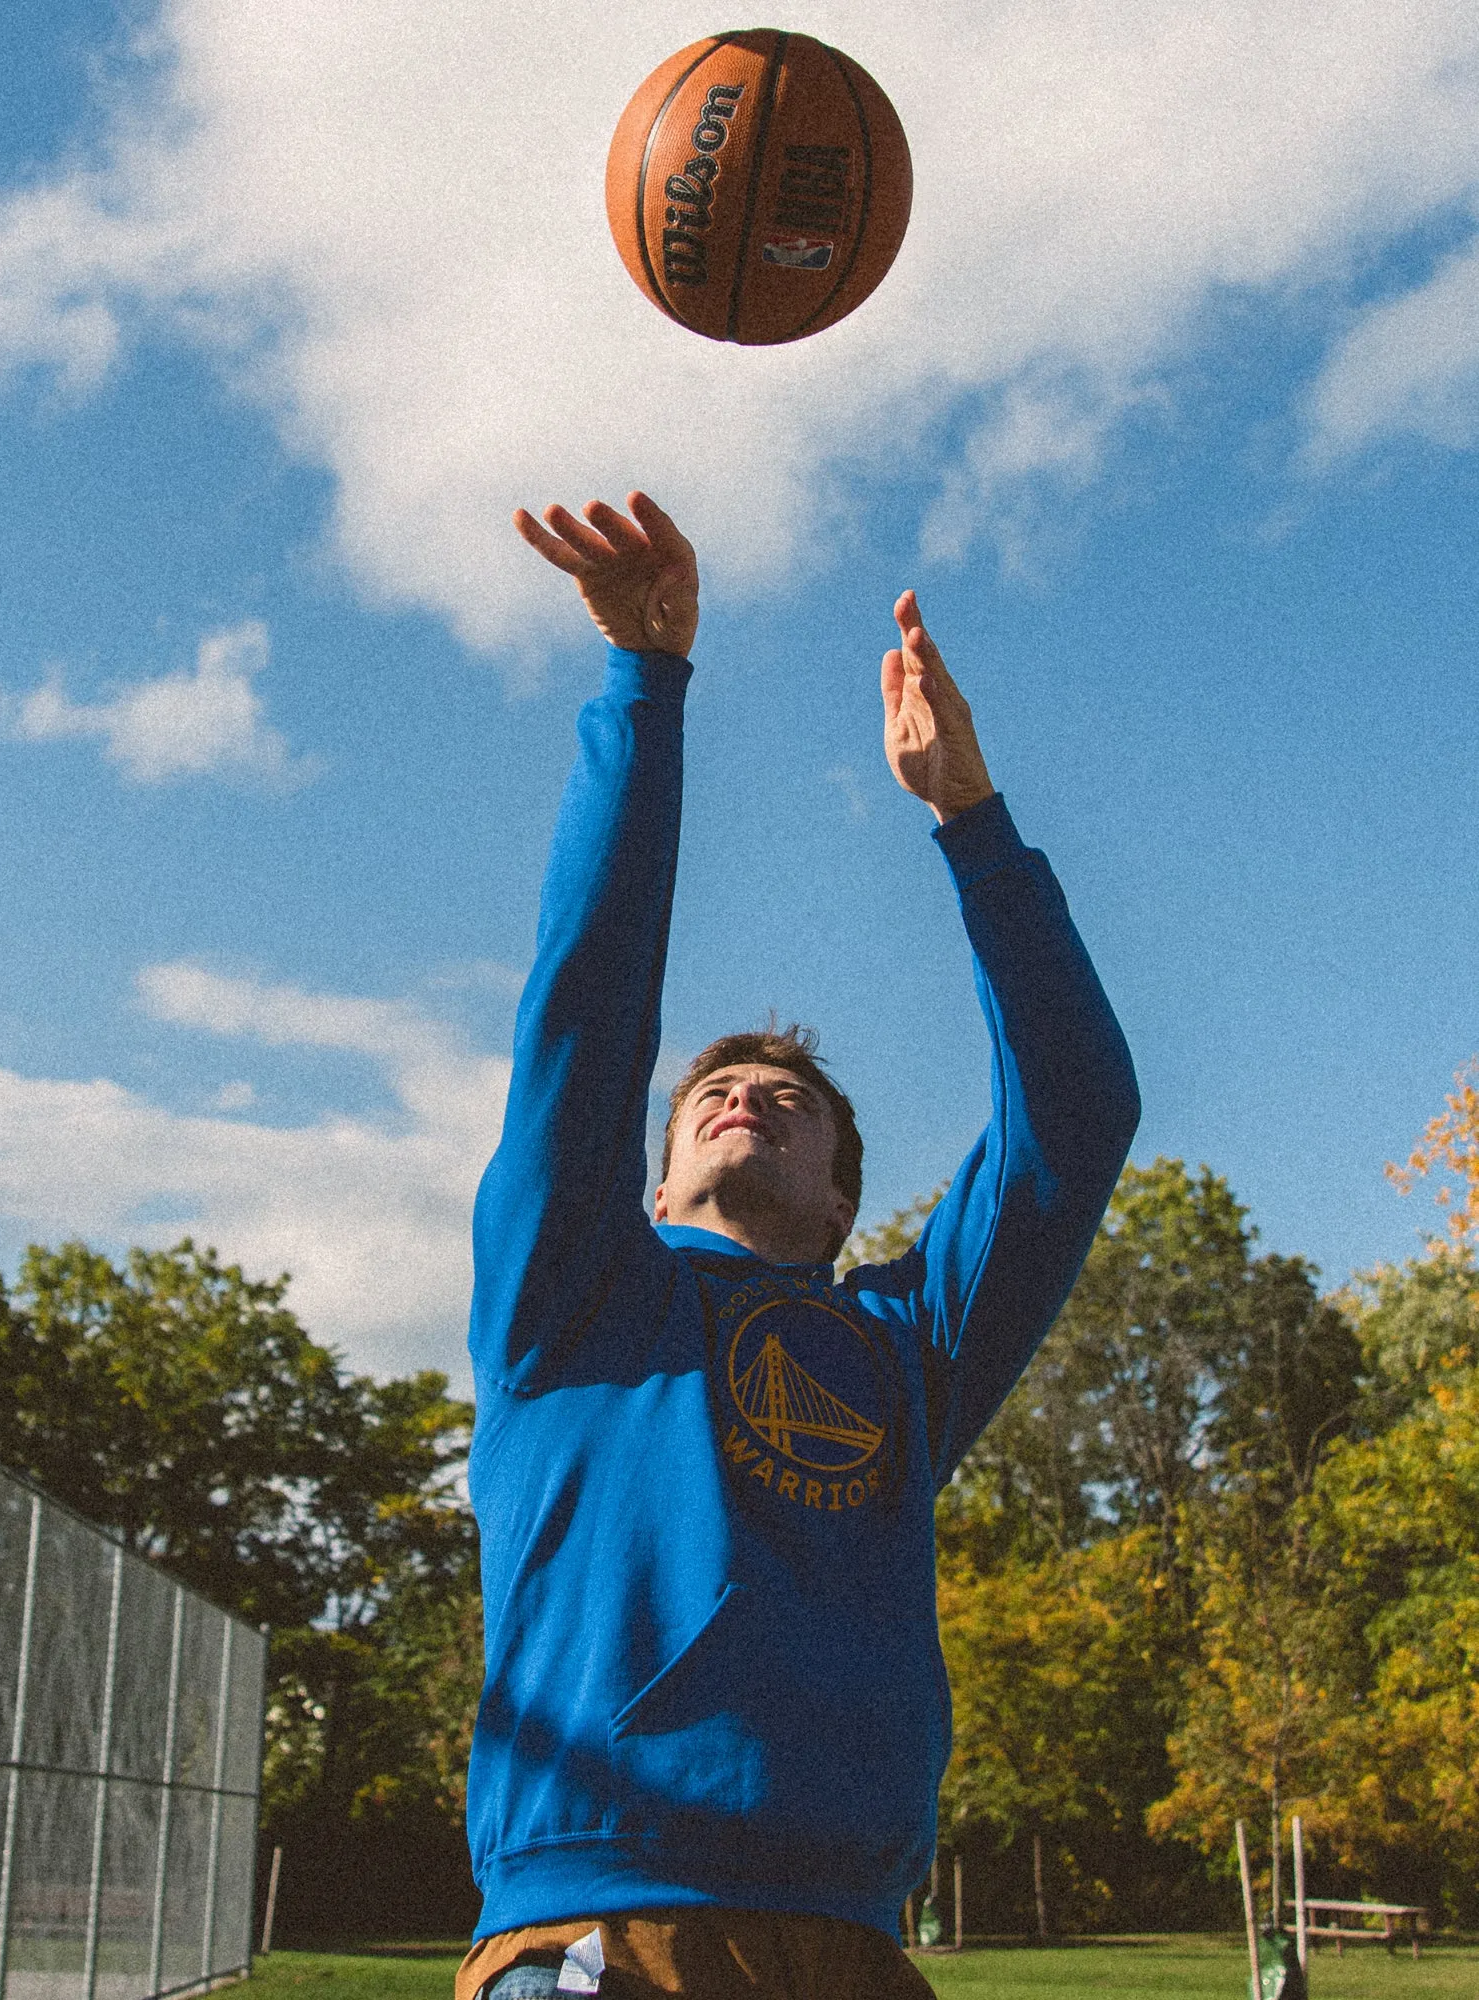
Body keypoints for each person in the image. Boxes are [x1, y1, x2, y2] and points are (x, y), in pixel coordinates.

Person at [457, 492, 1139, 2000]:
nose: (748, 1092)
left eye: (795, 1101)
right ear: (648, 1183)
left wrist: (971, 820)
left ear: (841, 1205)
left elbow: (1076, 1119)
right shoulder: (574, 1296)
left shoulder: (904, 1349)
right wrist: (645, 684)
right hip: (603, 1923)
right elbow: (587, 1002)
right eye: (714, 1091)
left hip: (852, 1941)